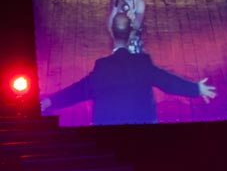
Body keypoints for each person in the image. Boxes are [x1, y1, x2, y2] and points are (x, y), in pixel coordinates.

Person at [40, 13, 216, 125]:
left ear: (112, 33)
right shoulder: (143, 62)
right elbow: (168, 81)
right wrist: (197, 88)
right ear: (131, 33)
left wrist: (50, 101)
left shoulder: (101, 68)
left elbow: (77, 90)